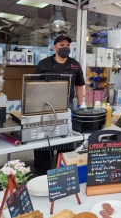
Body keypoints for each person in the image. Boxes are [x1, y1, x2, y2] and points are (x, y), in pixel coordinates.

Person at [32, 35, 86, 175]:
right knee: (44, 146)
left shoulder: (75, 64)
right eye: (62, 45)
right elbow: (32, 86)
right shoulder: (44, 64)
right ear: (54, 48)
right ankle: (42, 177)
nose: (65, 48)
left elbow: (79, 85)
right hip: (45, 110)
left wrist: (80, 105)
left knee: (66, 144)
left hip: (67, 109)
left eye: (67, 45)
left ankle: (63, 176)